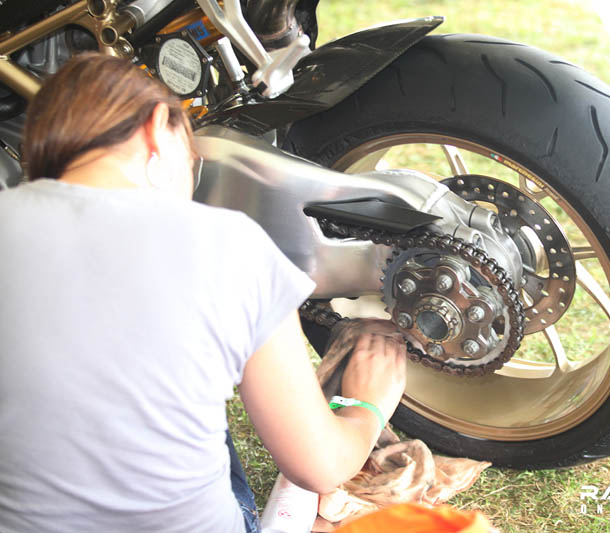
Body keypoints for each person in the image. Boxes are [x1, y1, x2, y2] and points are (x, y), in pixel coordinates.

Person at [0, 52, 407, 533]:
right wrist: (366, 407)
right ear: (158, 127)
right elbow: (321, 467)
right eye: (191, 161)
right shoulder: (229, 244)